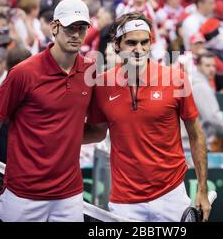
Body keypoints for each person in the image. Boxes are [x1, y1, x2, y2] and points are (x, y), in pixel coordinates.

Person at [0, 0, 94, 222]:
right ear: (54, 27)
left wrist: (60, 138)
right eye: (70, 27)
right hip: (22, 196)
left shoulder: (91, 71)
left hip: (69, 197)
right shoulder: (23, 73)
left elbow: (98, 129)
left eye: (81, 28)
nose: (76, 34)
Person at [83, 12, 211, 222]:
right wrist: (53, 135)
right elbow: (96, 132)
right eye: (131, 43)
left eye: (145, 42)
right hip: (125, 201)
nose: (139, 50)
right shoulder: (102, 84)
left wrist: (202, 190)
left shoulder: (176, 78)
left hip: (172, 195)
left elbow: (196, 135)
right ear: (117, 45)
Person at [191, 52, 223, 142]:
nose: (212, 69)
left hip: (192, 142)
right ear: (198, 66)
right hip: (194, 144)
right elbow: (212, 117)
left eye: (214, 66)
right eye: (207, 65)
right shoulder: (201, 86)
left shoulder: (197, 83)